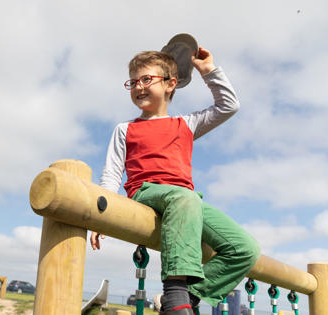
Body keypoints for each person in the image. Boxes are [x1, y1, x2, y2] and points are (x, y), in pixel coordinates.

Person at [90, 47, 260, 314]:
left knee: (245, 249)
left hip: (186, 201)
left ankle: (186, 298)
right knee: (184, 197)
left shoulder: (187, 124)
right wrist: (101, 215)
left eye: (147, 79)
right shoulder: (125, 129)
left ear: (170, 84)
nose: (139, 86)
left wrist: (208, 72)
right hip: (146, 193)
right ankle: (175, 292)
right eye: (133, 82)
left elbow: (229, 106)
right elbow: (111, 173)